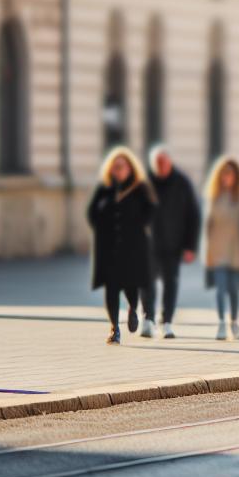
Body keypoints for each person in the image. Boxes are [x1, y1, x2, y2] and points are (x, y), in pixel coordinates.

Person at [87, 147, 157, 345]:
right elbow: (92, 212)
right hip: (109, 248)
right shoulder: (105, 188)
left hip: (133, 248)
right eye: (114, 167)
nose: (117, 170)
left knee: (130, 286)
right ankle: (114, 328)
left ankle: (133, 308)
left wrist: (136, 227)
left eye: (121, 166)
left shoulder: (140, 188)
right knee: (111, 288)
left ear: (130, 168)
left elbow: (150, 211)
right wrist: (101, 229)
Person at [143, 144, 201, 340]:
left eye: (164, 163)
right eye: (157, 164)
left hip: (173, 244)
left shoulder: (182, 182)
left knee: (171, 283)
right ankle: (148, 319)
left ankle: (167, 321)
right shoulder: (145, 182)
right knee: (147, 282)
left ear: (170, 162)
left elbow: (193, 215)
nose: (161, 167)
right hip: (148, 244)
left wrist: (190, 246)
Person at [203, 155, 239, 341]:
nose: (226, 178)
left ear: (236, 177)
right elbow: (209, 227)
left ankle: (234, 322)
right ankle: (222, 323)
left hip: (237, 251)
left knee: (234, 290)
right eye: (224, 174)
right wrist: (207, 252)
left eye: (230, 174)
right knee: (221, 288)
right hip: (218, 250)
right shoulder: (214, 198)